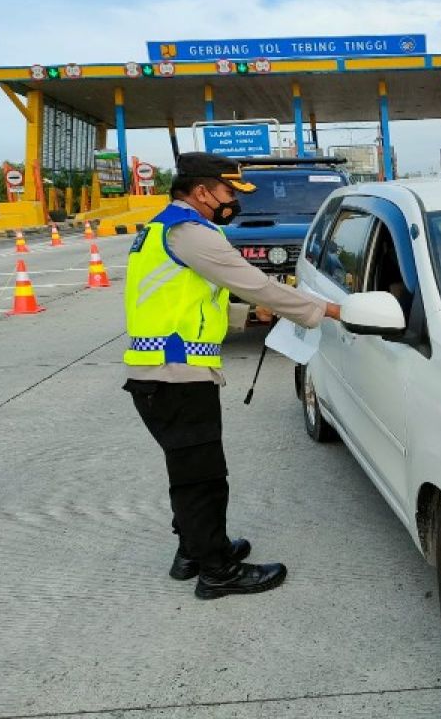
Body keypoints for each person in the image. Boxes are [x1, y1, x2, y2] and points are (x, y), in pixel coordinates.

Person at [123, 152, 341, 600]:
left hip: (160, 374)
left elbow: (181, 299)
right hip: (175, 376)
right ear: (202, 191)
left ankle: (195, 552)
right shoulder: (193, 233)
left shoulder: (160, 228)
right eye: (228, 193)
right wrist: (330, 310)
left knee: (189, 472)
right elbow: (258, 283)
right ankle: (217, 572)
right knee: (203, 479)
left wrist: (244, 316)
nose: (232, 203)